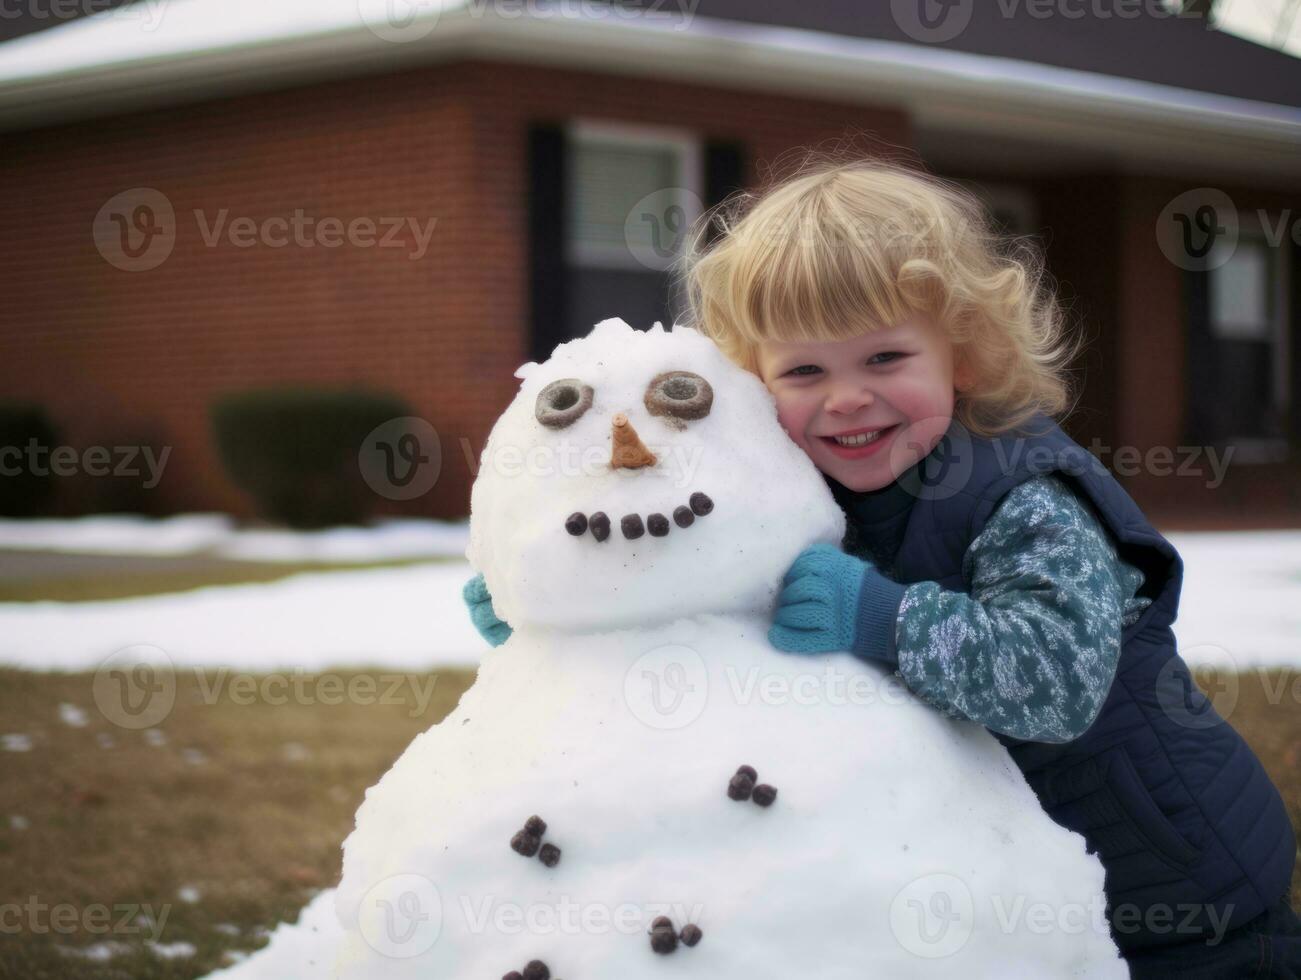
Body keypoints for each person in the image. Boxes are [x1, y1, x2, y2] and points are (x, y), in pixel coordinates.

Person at [464, 154, 1298, 975]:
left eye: (883, 359)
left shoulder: (1024, 494)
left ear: (962, 354)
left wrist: (885, 618)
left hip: (1175, 893)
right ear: (754, 382)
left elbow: (1055, 681)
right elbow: (759, 609)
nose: (846, 398)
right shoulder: (797, 492)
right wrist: (567, 609)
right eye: (803, 370)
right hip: (999, 883)